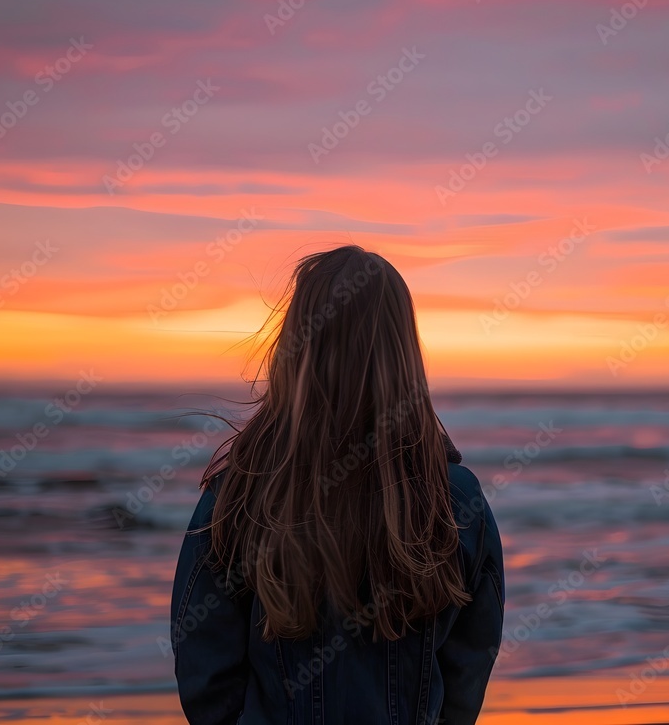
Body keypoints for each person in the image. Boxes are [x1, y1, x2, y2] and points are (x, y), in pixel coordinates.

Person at [170, 245, 505, 724]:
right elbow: (467, 674)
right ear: (404, 351)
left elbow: (206, 679)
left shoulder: (241, 494)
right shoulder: (455, 499)